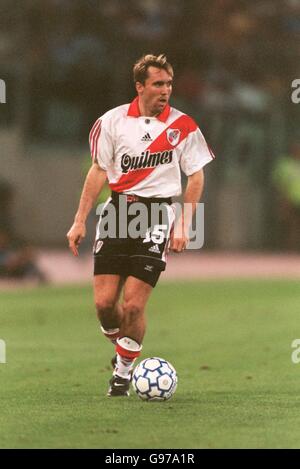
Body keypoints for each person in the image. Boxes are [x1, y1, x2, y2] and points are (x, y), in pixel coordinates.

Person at [67, 54, 215, 397]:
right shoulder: (112, 122)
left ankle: (122, 374)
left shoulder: (184, 126)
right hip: (117, 213)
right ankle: (124, 345)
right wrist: (79, 220)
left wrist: (184, 224)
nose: (166, 90)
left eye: (169, 84)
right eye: (158, 84)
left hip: (157, 215)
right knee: (105, 305)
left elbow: (195, 176)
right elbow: (98, 171)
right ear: (140, 86)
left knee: (133, 305)